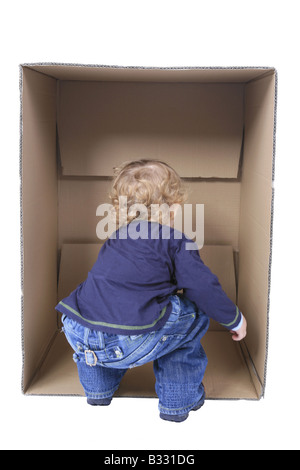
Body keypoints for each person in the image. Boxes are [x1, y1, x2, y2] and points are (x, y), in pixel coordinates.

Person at [56, 159, 247, 423]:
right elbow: (203, 288)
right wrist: (234, 318)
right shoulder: (178, 242)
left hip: (78, 331)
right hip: (130, 340)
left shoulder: (115, 239)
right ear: (175, 208)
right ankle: (178, 402)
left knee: (96, 299)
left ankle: (98, 390)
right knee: (194, 313)